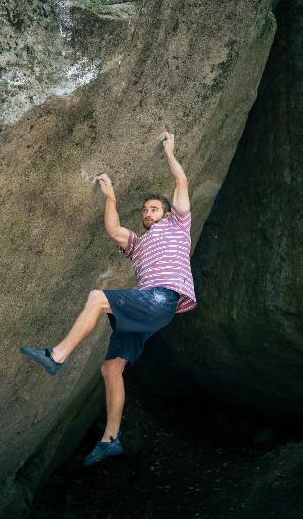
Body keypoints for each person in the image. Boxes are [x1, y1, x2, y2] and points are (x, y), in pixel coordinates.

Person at [20, 131, 197, 466]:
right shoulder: (139, 244)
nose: (147, 213)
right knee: (111, 368)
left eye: (154, 208)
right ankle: (110, 439)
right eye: (145, 210)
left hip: (162, 299)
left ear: (167, 212)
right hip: (150, 310)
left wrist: (170, 152)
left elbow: (182, 181)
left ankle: (57, 357)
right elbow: (115, 231)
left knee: (98, 298)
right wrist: (111, 196)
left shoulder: (178, 225)